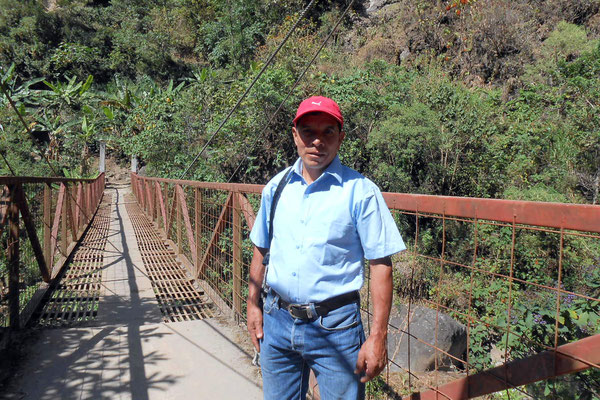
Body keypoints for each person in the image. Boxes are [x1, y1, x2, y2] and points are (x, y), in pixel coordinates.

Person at [247, 96, 406, 400]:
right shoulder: (276, 188)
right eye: (308, 132)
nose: (317, 141)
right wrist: (253, 305)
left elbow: (380, 265)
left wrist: (378, 336)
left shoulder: (360, 192)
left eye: (328, 132)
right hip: (277, 320)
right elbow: (260, 249)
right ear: (295, 135)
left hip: (337, 326)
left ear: (340, 138)